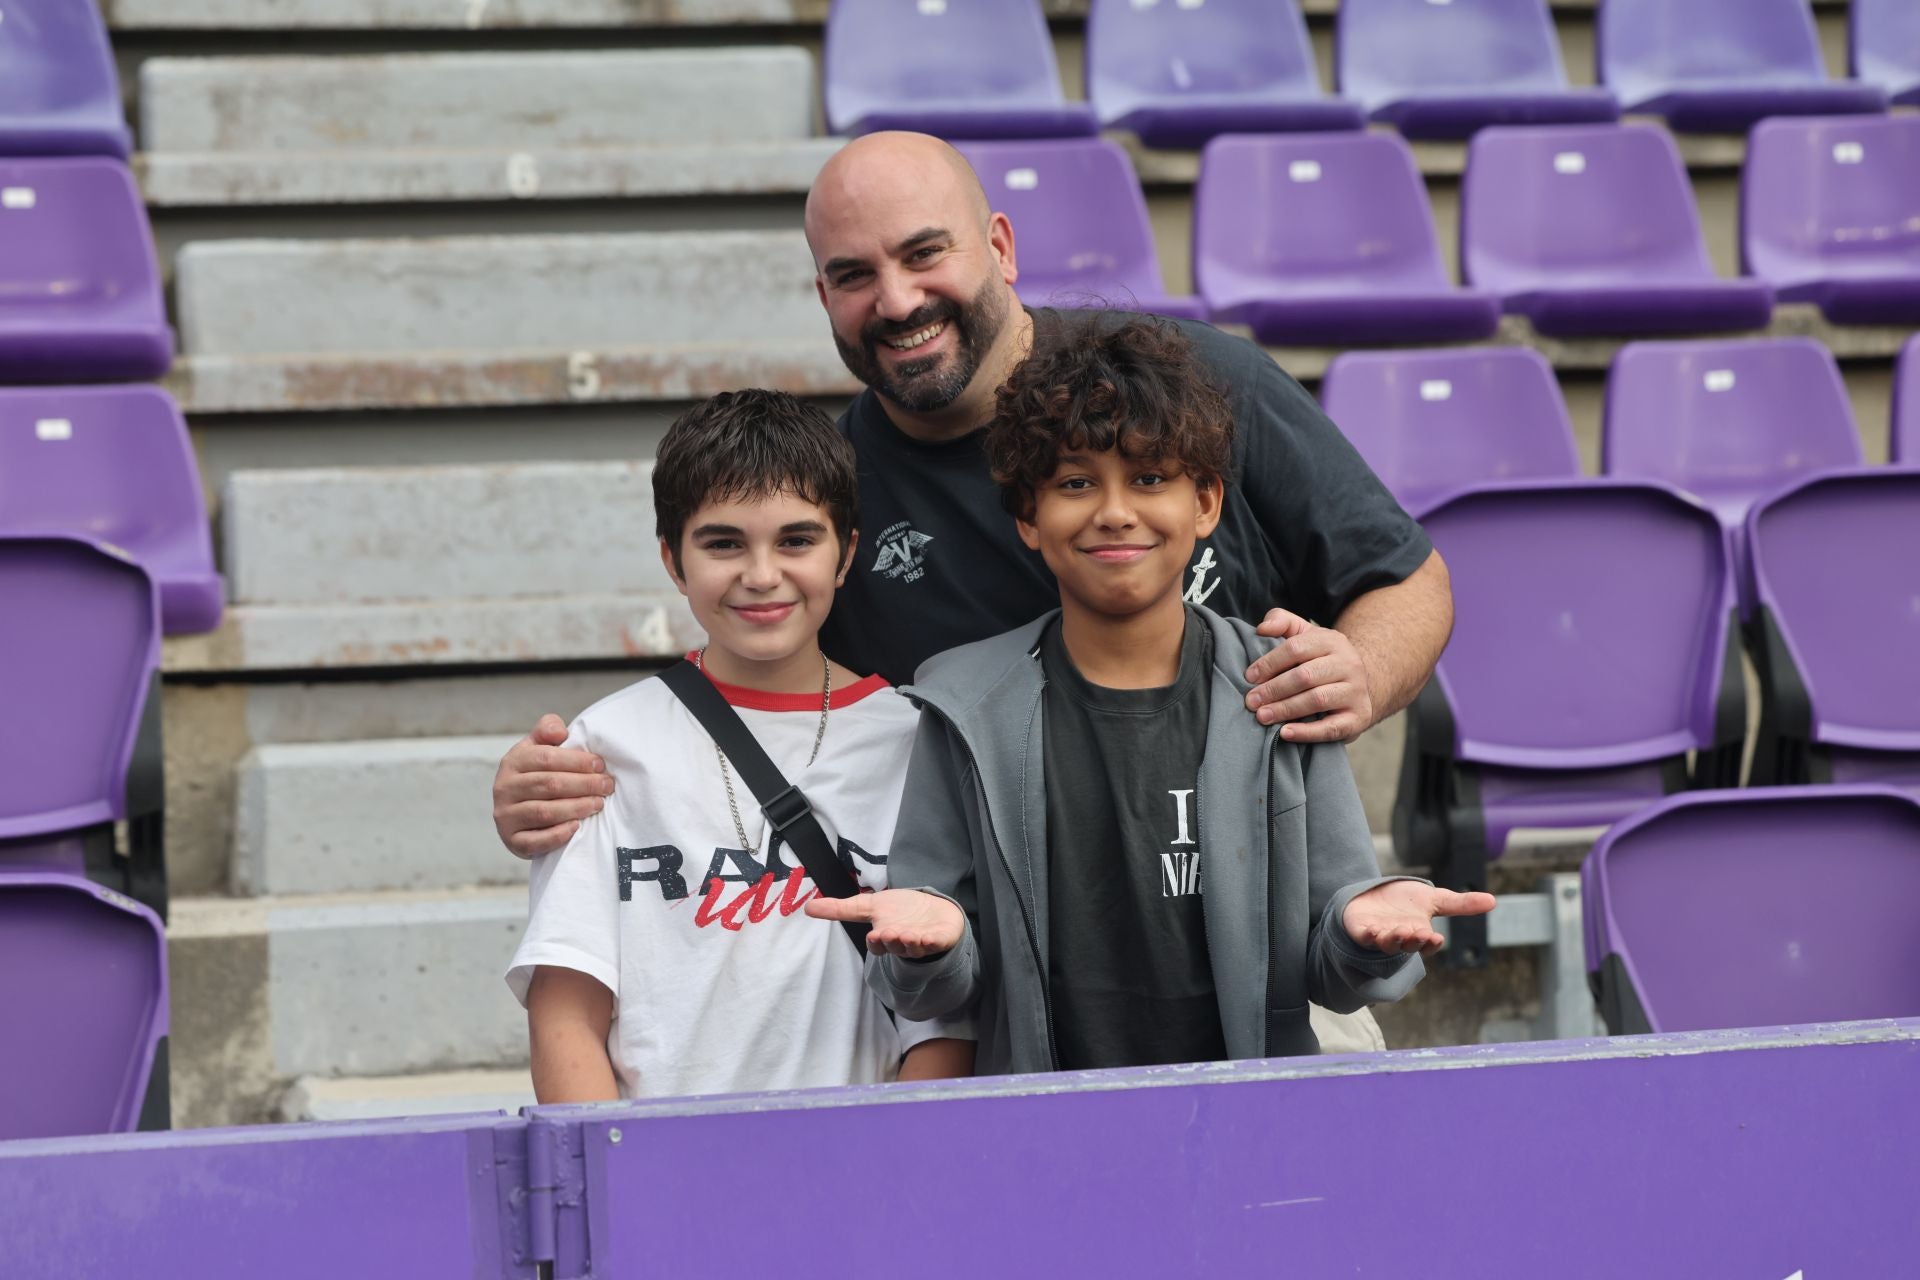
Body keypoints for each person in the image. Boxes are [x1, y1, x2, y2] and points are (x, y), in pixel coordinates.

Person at [493, 131, 1450, 857]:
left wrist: (1360, 673)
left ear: (999, 245)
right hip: (1005, 949)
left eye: (924, 254)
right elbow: (752, 706)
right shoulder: (826, 493)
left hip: (1260, 898)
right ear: (822, 298)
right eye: (854, 276)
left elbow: (1408, 580)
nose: (898, 301)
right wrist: (579, 779)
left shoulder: (1196, 383)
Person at [804, 315, 1494, 1071]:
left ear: (1206, 503)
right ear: (1028, 516)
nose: (1115, 512)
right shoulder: (962, 707)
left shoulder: (1282, 688)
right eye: (1075, 483)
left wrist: (1366, 932)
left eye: (1150, 478)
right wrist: (929, 945)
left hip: (1247, 1114)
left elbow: (1331, 966)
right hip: (1050, 1121)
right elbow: (942, 986)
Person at [506, 390, 971, 1102]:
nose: (761, 575)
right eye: (723, 543)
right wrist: (618, 1161)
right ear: (673, 559)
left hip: (863, 1153)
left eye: (796, 541)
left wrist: (894, 1153)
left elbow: (944, 1017)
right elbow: (566, 1011)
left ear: (846, 553)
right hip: (663, 1157)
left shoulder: (915, 741)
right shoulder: (607, 748)